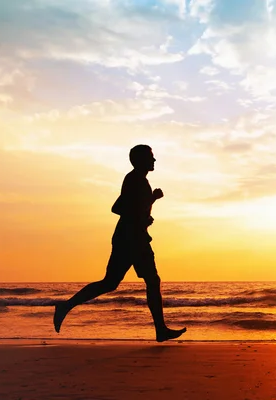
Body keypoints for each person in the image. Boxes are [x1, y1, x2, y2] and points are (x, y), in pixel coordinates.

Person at [53, 144, 186, 342]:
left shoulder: (138, 180)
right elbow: (118, 208)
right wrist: (151, 200)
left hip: (132, 237)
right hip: (131, 239)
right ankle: (160, 329)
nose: (154, 160)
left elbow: (131, 208)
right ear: (139, 160)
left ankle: (67, 306)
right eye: (151, 157)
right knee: (146, 280)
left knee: (115, 282)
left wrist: (147, 209)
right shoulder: (134, 180)